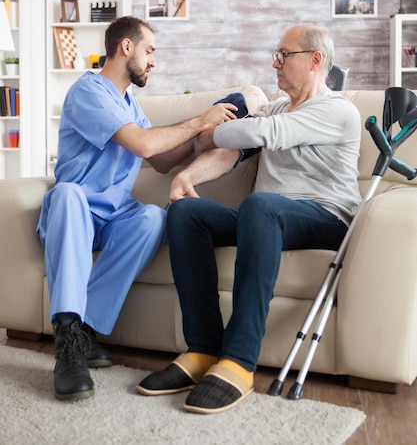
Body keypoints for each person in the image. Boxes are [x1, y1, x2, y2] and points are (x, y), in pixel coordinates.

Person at [136, 23, 362, 414]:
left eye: (283, 55)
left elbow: (265, 133)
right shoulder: (274, 107)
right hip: (270, 217)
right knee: (188, 211)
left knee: (261, 204)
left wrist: (232, 129)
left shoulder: (338, 110)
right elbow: (221, 145)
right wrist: (186, 175)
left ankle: (240, 361)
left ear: (315, 60)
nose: (275, 64)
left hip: (326, 217)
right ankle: (204, 349)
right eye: (275, 55)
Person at [37, 15, 237, 401]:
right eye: (149, 51)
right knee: (67, 194)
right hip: (74, 215)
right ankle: (67, 340)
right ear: (125, 47)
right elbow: (144, 145)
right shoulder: (88, 90)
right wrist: (198, 119)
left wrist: (202, 135)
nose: (153, 61)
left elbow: (161, 160)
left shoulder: (130, 102)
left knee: (152, 216)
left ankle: (86, 331)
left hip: (112, 217)